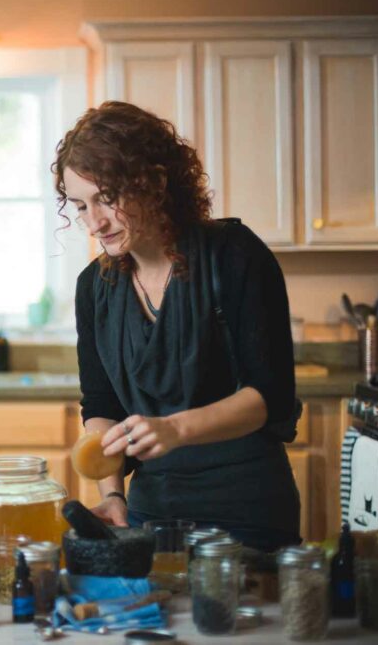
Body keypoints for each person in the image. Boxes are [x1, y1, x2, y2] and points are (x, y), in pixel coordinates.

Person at [53, 101, 301, 552]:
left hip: (247, 512)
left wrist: (176, 429)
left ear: (156, 182)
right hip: (151, 514)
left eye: (108, 198)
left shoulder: (234, 256)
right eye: (81, 205)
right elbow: (101, 404)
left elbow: (270, 395)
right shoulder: (95, 286)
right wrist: (111, 494)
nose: (95, 222)